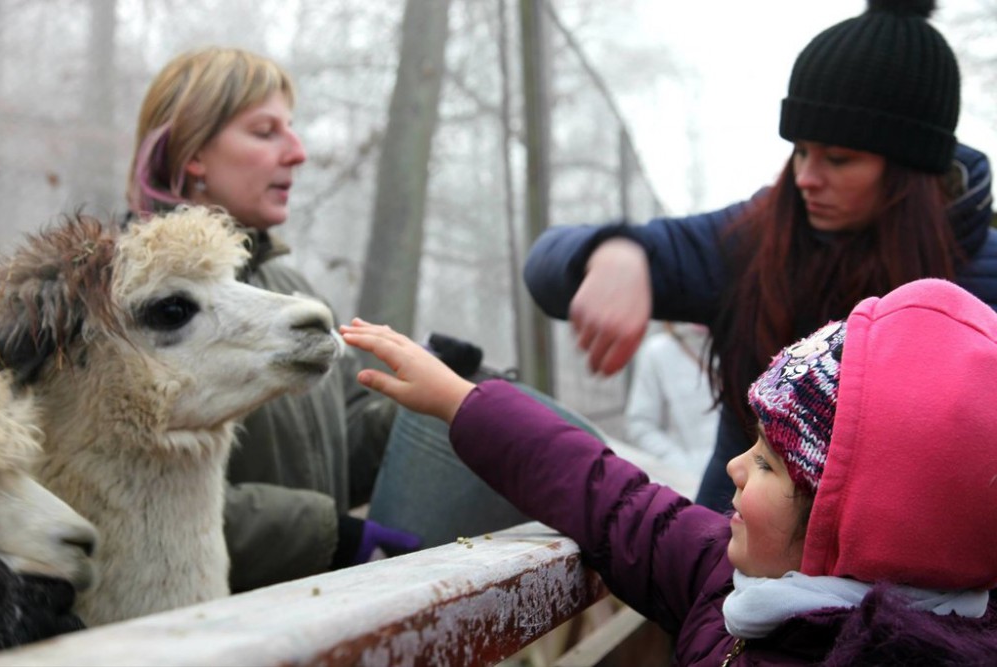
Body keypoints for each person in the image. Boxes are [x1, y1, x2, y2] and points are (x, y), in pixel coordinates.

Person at [341, 278, 997, 664]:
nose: (735, 466)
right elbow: (618, 503)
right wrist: (461, 402)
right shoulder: (735, 578)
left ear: (848, 529)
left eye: (767, 462)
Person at [522, 0, 997, 511]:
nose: (806, 178)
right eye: (801, 150)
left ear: (911, 170)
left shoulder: (981, 282)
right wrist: (615, 253)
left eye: (838, 159)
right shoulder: (756, 239)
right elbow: (545, 267)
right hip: (726, 552)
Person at [125, 47, 419, 591]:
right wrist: (322, 537)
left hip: (313, 614)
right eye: (265, 132)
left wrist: (429, 405)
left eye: (292, 128)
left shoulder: (293, 291)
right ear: (193, 152)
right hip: (198, 623)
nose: (298, 152)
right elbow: (116, 490)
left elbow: (338, 449)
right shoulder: (129, 305)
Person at [623, 323, 716, 492]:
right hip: (688, 483)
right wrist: (682, 465)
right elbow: (640, 423)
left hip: (740, 475)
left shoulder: (739, 343)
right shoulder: (657, 351)